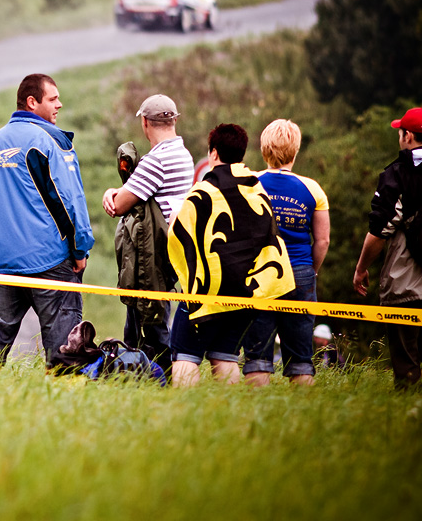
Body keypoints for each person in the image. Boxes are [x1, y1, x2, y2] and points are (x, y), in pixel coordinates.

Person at [0, 73, 94, 372]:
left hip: (2, 263)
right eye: (53, 98)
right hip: (50, 261)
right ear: (32, 102)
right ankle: (62, 406)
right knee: (64, 345)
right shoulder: (48, 142)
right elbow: (69, 201)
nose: (60, 104)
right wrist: (80, 249)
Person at [167, 123, 295, 387]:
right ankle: (228, 410)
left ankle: (184, 411)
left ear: (213, 153)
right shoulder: (256, 190)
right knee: (224, 355)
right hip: (245, 293)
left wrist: (187, 277)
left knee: (185, 354)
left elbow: (177, 236)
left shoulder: (202, 193)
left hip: (205, 293)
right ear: (242, 154)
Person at [103, 94, 195, 369]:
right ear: (175, 120)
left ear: (145, 123)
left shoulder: (156, 161)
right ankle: (140, 373)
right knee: (144, 320)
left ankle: (159, 376)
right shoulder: (183, 154)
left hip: (152, 254)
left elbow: (119, 206)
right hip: (171, 247)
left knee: (151, 324)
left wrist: (111, 192)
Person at [242, 119, 330, 386]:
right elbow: (323, 240)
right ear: (296, 149)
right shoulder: (312, 189)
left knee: (257, 357)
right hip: (300, 271)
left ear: (263, 148)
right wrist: (310, 271)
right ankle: (301, 419)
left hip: (260, 273)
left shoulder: (249, 184)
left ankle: (259, 419)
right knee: (302, 360)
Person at [351, 107, 422, 389]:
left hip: (406, 283)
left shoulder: (397, 175)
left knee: (406, 365)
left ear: (407, 136)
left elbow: (379, 232)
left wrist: (360, 269)